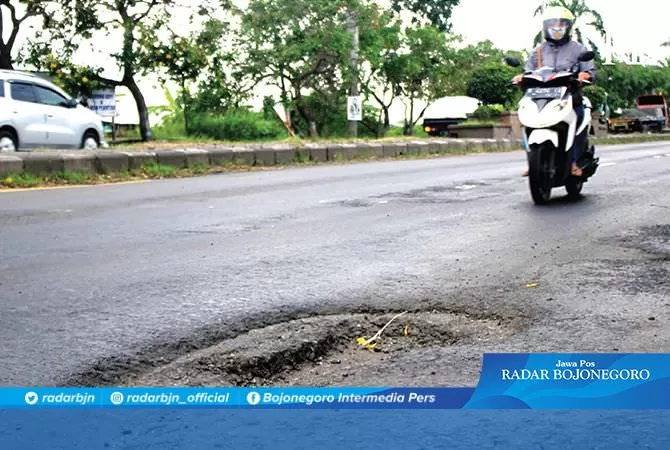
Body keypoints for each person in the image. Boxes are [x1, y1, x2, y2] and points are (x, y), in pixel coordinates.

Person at [513, 6, 597, 177]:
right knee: (526, 120)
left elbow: (590, 71)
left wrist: (584, 74)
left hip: (569, 95)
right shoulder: (537, 51)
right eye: (552, 25)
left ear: (568, 27)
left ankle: (574, 162)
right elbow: (528, 70)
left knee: (578, 121)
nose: (557, 29)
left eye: (561, 26)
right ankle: (532, 162)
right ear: (545, 27)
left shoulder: (578, 49)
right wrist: (521, 77)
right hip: (540, 96)